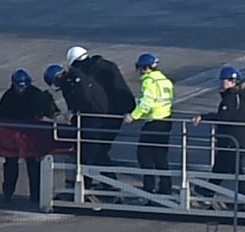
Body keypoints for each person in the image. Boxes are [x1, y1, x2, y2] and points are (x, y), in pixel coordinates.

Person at [67, 46, 135, 170]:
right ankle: (105, 181)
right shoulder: (107, 65)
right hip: (118, 114)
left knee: (95, 151)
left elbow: (87, 97)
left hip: (102, 117)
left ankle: (102, 181)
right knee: (99, 150)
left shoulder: (86, 73)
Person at [50, 61, 108, 198]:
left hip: (92, 121)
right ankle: (97, 185)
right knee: (93, 154)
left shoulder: (74, 80)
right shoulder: (71, 80)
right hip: (89, 120)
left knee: (88, 155)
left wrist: (74, 111)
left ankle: (86, 188)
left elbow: (84, 98)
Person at [192, 66, 245, 199]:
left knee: (235, 169)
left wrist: (204, 117)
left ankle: (244, 196)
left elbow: (223, 116)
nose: (221, 83)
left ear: (232, 81)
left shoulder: (231, 97)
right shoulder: (243, 96)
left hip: (231, 139)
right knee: (222, 166)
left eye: (223, 80)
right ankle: (209, 190)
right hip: (237, 139)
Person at [123, 53, 174, 196]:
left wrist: (133, 116)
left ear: (145, 68)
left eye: (140, 68)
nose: (139, 72)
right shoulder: (165, 81)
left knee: (144, 155)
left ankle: (149, 187)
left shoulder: (149, 82)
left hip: (153, 123)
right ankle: (165, 187)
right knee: (160, 157)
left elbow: (146, 104)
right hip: (166, 121)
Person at [0, 69, 48, 203]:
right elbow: (0, 115)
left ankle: (35, 195)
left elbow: (48, 111)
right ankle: (8, 191)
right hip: (12, 136)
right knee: (11, 164)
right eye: (18, 87)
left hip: (31, 136)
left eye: (23, 87)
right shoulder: (8, 96)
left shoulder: (36, 94)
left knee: (33, 166)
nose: (20, 90)